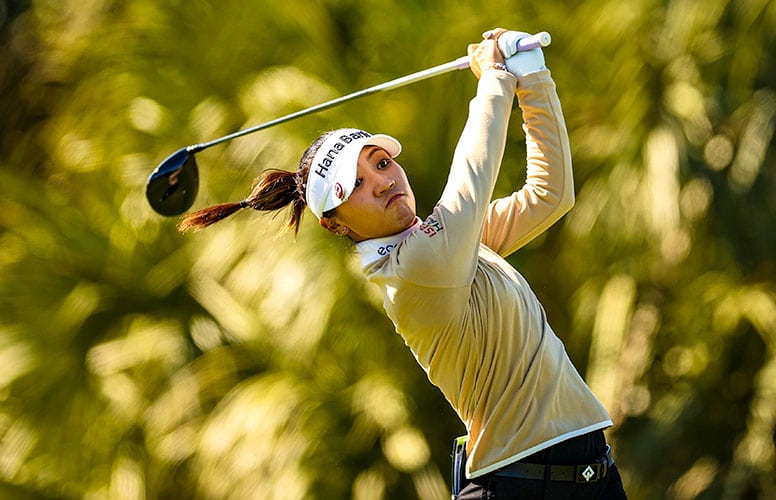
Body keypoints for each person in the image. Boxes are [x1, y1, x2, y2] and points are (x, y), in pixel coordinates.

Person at [179, 28, 627, 499]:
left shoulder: (451, 245)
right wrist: (494, 78)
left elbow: (550, 196)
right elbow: (470, 184)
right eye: (354, 185)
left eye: (380, 162)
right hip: (518, 487)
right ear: (336, 226)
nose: (380, 181)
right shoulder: (412, 269)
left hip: (591, 474)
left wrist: (532, 77)